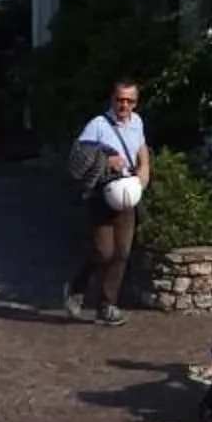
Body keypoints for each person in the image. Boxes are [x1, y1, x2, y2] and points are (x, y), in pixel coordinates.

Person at [63, 77, 151, 326]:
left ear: (136, 102)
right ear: (112, 99)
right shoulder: (97, 126)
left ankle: (107, 305)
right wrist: (105, 159)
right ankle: (77, 286)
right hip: (102, 194)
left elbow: (141, 147)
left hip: (127, 194)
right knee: (103, 252)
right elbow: (77, 159)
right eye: (120, 99)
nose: (124, 105)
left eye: (129, 100)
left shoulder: (137, 123)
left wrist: (145, 169)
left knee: (122, 252)